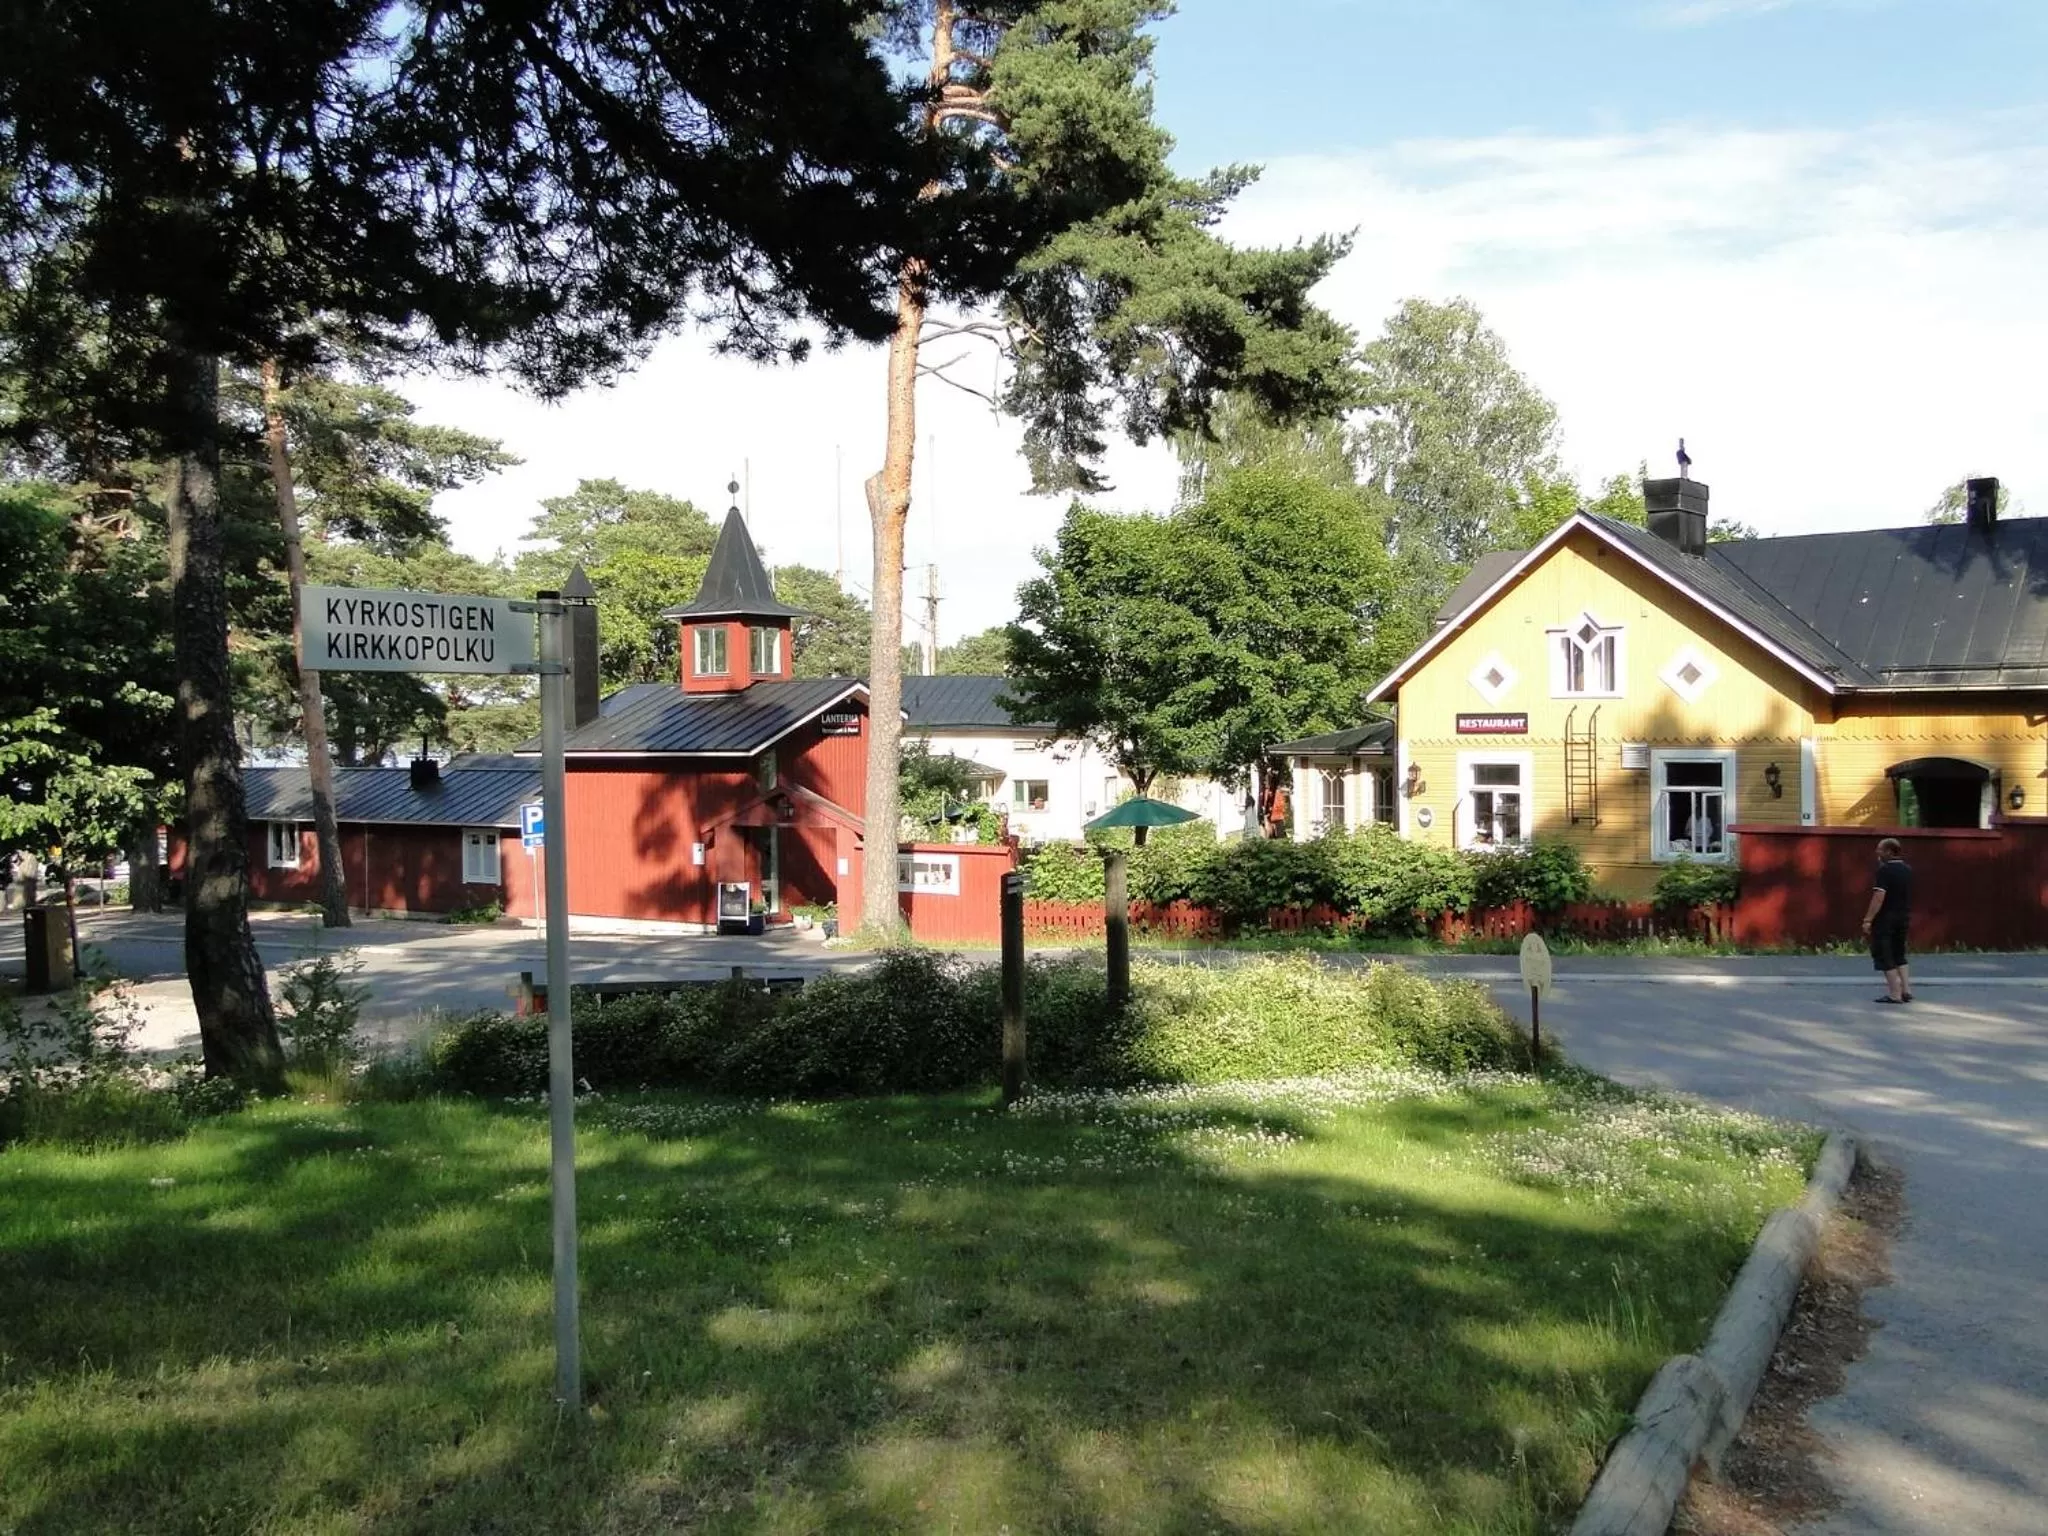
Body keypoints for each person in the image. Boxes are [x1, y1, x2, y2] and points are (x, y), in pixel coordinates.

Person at [1862, 837, 1913, 1004]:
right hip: (1903, 917)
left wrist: (1868, 919)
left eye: (1880, 850)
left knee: (1885, 955)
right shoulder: (1907, 870)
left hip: (1886, 919)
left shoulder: (1884, 871)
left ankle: (1894, 993)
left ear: (1889, 852)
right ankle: (1906, 990)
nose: (1877, 853)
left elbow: (1879, 896)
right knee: (1899, 953)